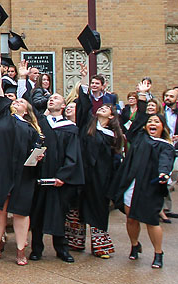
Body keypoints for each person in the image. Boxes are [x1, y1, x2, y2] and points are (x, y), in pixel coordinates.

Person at [0, 52, 43, 266]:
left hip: (23, 173)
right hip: (1, 169)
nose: (15, 102)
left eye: (19, 101)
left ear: (27, 110)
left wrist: (39, 154)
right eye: (14, 100)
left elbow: (38, 150)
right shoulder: (1, 115)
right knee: (0, 209)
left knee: (20, 211)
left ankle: (20, 249)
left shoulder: (31, 128)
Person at [109, 82, 175, 269]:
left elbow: (165, 162)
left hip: (150, 185)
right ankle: (135, 245)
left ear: (163, 127)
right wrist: (142, 96)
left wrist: (163, 173)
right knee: (131, 218)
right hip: (132, 184)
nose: (152, 124)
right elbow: (140, 118)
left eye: (157, 122)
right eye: (150, 122)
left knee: (151, 220)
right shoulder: (140, 137)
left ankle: (158, 253)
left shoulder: (165, 146)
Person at [67, 92, 124, 259]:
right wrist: (84, 82)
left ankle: (100, 246)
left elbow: (115, 161)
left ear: (112, 116)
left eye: (106, 108)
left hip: (100, 177)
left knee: (98, 209)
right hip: (83, 173)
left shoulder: (113, 136)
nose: (102, 108)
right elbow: (83, 109)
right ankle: (75, 242)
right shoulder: (89, 126)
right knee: (76, 207)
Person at [30, 93, 84, 263]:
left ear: (63, 106)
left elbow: (73, 155)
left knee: (59, 215)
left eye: (57, 98)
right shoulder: (40, 124)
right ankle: (36, 248)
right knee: (37, 214)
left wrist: (63, 176)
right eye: (50, 98)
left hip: (59, 179)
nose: (52, 99)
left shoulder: (70, 128)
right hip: (40, 176)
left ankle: (61, 248)